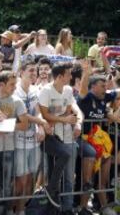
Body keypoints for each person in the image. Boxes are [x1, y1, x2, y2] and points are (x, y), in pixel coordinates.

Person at [78, 60, 120, 215]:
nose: (106, 88)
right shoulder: (85, 98)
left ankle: (104, 207)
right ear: (93, 87)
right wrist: (86, 72)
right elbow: (82, 89)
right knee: (88, 179)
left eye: (106, 85)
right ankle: (83, 207)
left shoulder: (105, 97)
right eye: (102, 86)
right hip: (84, 141)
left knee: (103, 179)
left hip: (101, 144)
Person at [38, 62, 82, 214]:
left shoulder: (68, 90)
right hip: (50, 136)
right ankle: (51, 198)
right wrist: (62, 119)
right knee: (54, 169)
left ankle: (64, 208)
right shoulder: (45, 91)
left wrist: (72, 121)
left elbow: (68, 112)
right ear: (59, 76)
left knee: (68, 176)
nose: (71, 76)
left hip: (65, 136)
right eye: (69, 74)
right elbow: (45, 115)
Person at [13, 60, 52, 215]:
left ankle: (22, 210)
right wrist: (41, 122)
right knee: (20, 180)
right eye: (30, 70)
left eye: (35, 71)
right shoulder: (14, 90)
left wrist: (41, 127)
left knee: (30, 179)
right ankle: (12, 209)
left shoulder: (35, 90)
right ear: (21, 72)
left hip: (33, 141)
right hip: (18, 141)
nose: (33, 73)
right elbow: (22, 114)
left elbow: (37, 111)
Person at [0, 70, 28, 215]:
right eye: (12, 84)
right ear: (1, 84)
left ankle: (7, 211)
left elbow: (24, 124)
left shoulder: (17, 100)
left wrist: (7, 128)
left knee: (7, 184)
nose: (14, 87)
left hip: (8, 149)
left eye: (15, 84)